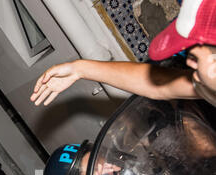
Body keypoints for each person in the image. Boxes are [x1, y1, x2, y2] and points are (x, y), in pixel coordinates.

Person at [30, 0, 216, 107]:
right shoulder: (209, 82)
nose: (191, 64)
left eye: (196, 57)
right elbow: (158, 85)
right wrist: (80, 69)